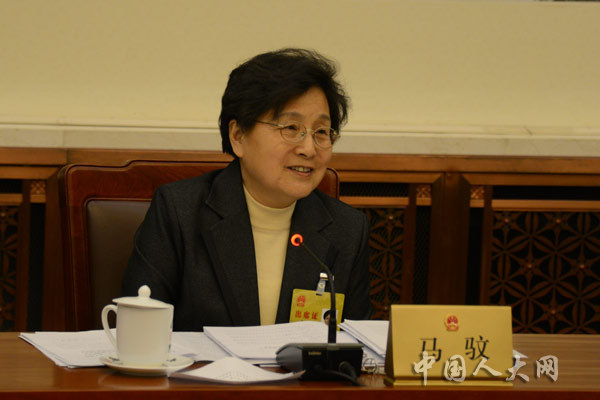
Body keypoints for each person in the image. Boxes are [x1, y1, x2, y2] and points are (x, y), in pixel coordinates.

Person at [122, 48, 371, 331]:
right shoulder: (179, 212)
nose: (308, 148)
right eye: (291, 128)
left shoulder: (348, 230)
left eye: (321, 132)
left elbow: (355, 345)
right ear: (238, 136)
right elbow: (137, 333)